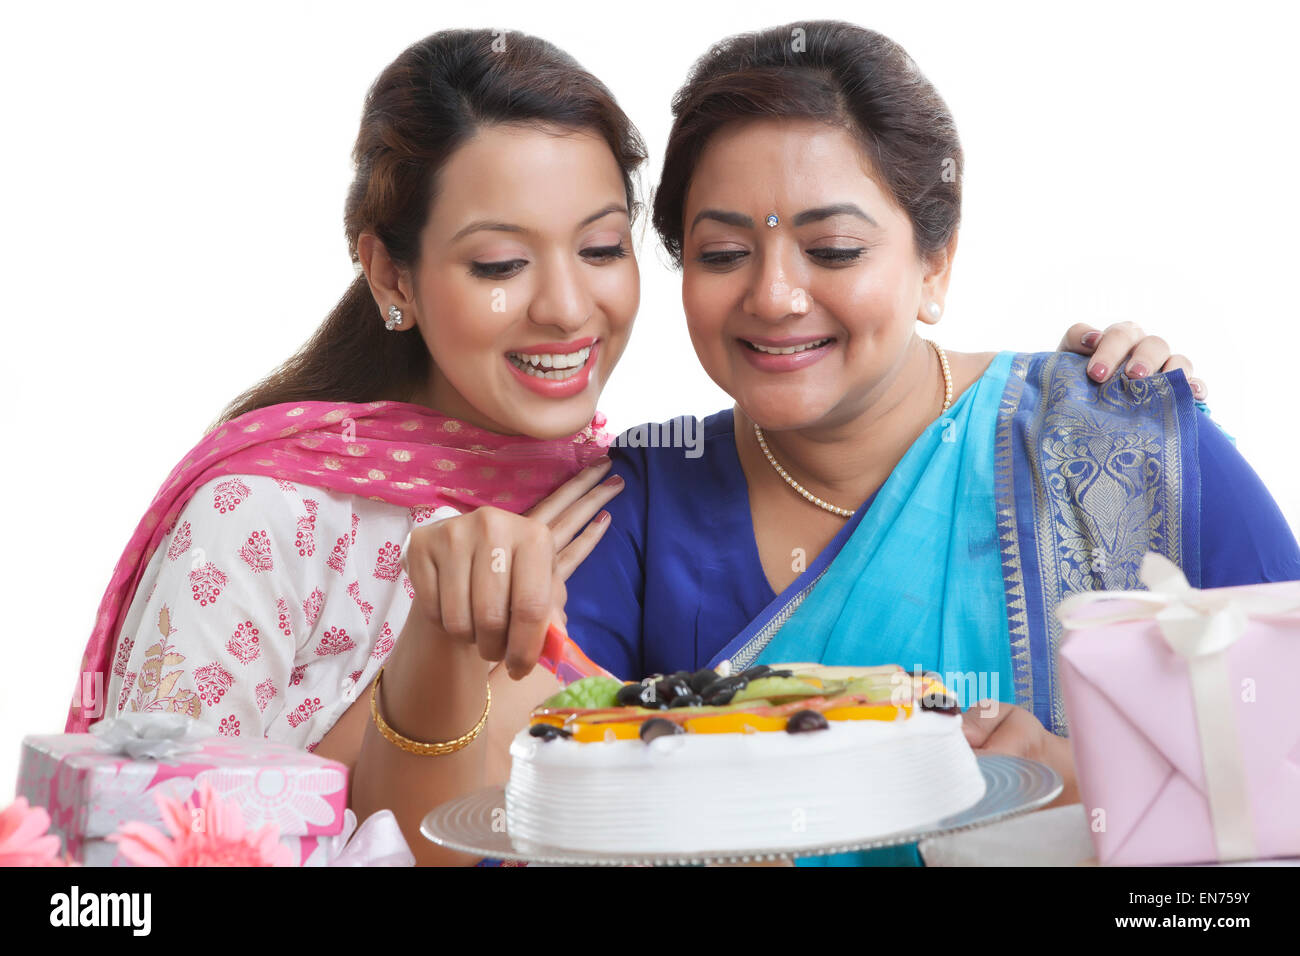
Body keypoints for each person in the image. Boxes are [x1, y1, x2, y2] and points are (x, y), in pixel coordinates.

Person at [65, 25, 1206, 867]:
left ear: (935, 257)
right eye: (501, 265)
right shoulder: (270, 512)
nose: (566, 311)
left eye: (601, 248)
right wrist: (440, 640)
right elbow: (145, 856)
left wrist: (1100, 413)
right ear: (391, 275)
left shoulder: (599, 492)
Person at [559, 20, 1300, 867]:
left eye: (832, 249)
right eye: (723, 252)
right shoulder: (634, 505)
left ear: (936, 262)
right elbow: (530, 817)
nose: (773, 295)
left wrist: (1080, 794)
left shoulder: (1118, 447)